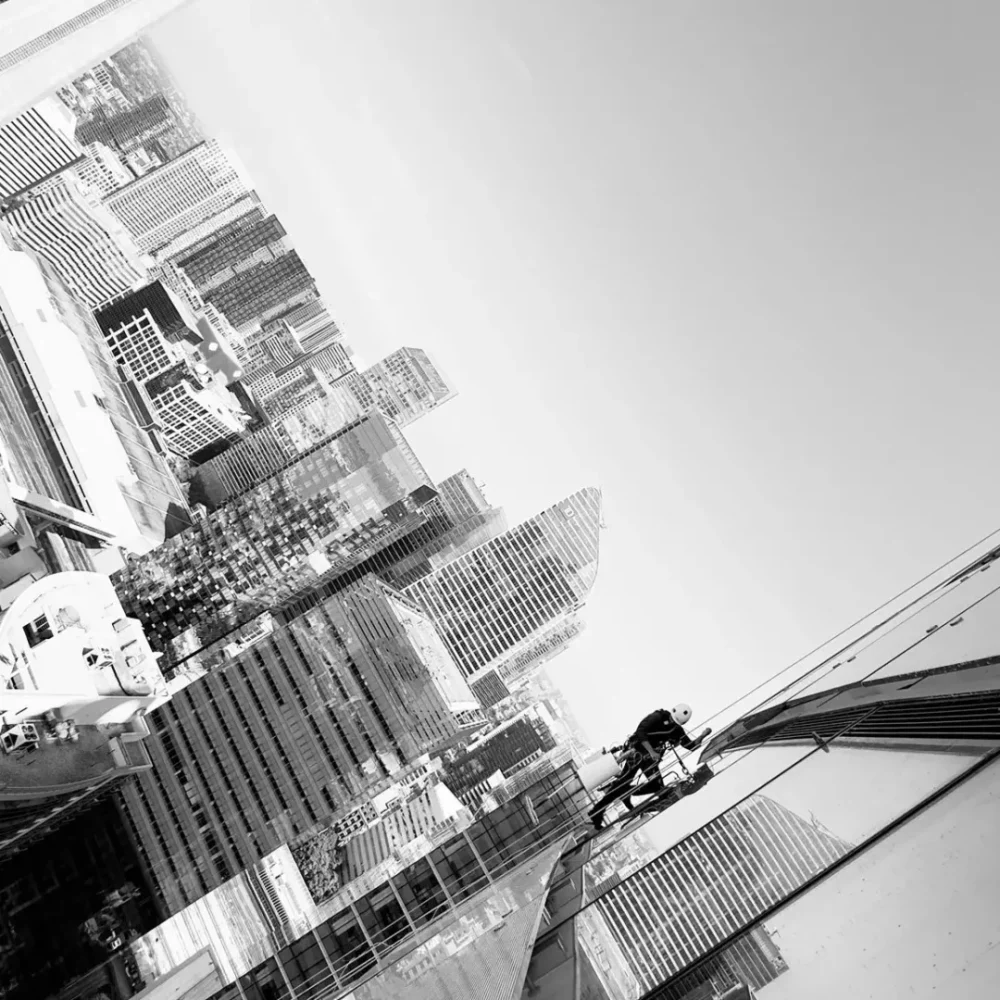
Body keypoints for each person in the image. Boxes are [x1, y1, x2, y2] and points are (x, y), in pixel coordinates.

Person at [588, 704, 701, 830]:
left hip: (648, 760)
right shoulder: (657, 717)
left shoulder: (677, 730)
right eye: (670, 720)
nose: (671, 723)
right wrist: (652, 752)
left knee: (656, 786)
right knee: (625, 782)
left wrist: (703, 735)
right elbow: (640, 732)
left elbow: (691, 746)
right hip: (637, 752)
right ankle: (597, 812)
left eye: (674, 722)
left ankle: (624, 793)